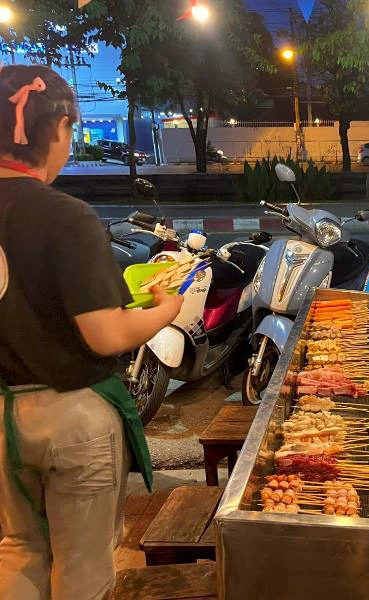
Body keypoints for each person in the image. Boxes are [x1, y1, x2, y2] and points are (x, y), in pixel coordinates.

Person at [0, 65, 182, 600]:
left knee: (18, 550)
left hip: (4, 414)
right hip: (71, 417)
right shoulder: (64, 216)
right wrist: (165, 310)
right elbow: (105, 334)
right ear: (56, 127)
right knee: (82, 566)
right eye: (71, 130)